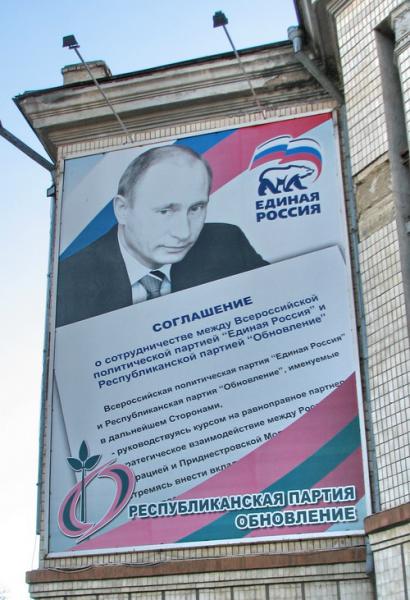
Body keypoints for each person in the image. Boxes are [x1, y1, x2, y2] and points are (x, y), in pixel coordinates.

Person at [56, 145, 267, 327]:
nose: (184, 233)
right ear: (123, 210)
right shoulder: (70, 282)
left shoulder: (227, 242)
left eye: (196, 208)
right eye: (165, 211)